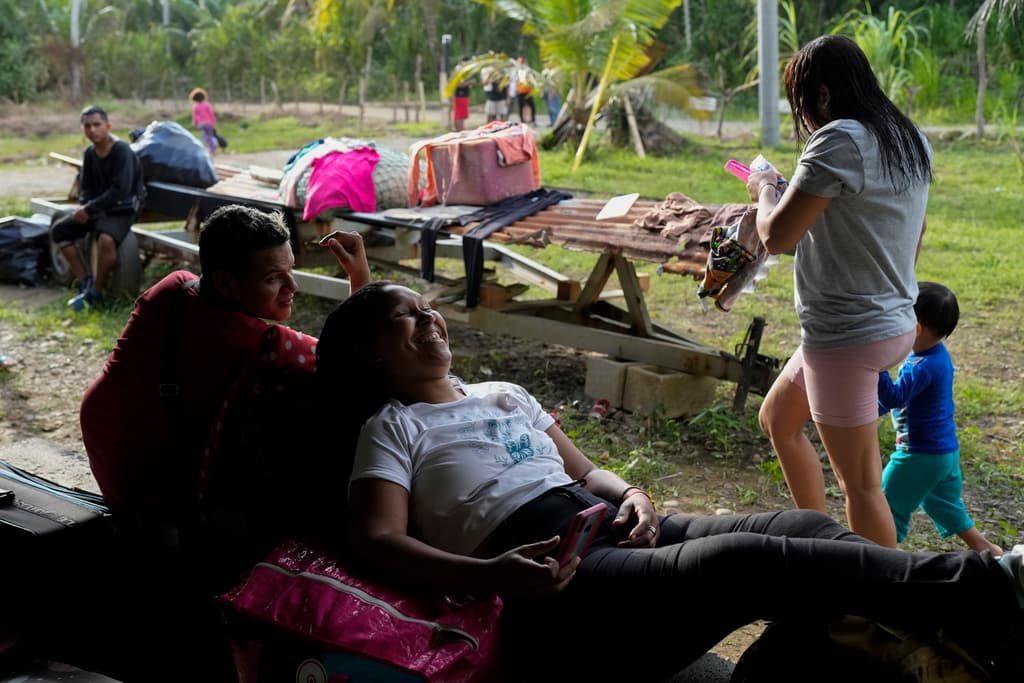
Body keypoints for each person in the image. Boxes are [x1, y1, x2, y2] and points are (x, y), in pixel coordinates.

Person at [315, 281, 1024, 682]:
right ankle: (989, 587)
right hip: (556, 586)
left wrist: (633, 493)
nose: (429, 318)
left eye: (427, 307)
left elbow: (585, 470)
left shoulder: (503, 392)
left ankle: (957, 626)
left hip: (608, 526)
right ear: (371, 354)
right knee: (744, 560)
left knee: (799, 525)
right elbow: (377, 538)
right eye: (405, 317)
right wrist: (491, 574)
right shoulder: (392, 427)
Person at [747, 34, 932, 547]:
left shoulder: (838, 140)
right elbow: (915, 229)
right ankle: (821, 545)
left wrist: (765, 189)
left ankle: (880, 590)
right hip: (893, 321)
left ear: (823, 95)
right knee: (779, 419)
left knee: (863, 486)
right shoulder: (908, 137)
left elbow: (777, 236)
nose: (804, 115)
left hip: (846, 338)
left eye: (802, 101)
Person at [80, 204, 370, 520]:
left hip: (110, 450)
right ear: (226, 283)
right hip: (157, 491)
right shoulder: (263, 346)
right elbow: (354, 367)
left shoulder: (175, 286)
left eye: (291, 270)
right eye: (274, 278)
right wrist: (360, 278)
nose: (293, 287)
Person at [877, 282, 1003, 555]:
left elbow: (895, 397)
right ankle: (990, 552)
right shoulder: (934, 356)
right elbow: (902, 401)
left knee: (884, 507)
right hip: (943, 454)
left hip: (918, 455)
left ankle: (882, 558)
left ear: (916, 328)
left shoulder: (922, 365)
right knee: (945, 507)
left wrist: (877, 366)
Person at [51, 105, 145, 311]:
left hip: (123, 208)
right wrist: (84, 207)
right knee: (59, 231)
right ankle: (85, 280)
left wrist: (89, 209)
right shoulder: (89, 153)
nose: (92, 130)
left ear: (108, 126)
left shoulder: (121, 151)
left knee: (106, 239)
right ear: (83, 129)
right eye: (87, 126)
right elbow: (86, 188)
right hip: (98, 209)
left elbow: (121, 191)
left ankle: (95, 292)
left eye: (97, 125)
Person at [190, 87, 220, 156]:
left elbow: (195, 117)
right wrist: (213, 121)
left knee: (202, 137)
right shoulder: (207, 105)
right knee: (210, 137)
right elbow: (211, 114)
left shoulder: (195, 107)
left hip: (200, 124)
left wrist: (195, 124)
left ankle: (201, 151)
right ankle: (213, 151)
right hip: (208, 124)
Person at [452, 57, 473, 132]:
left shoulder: (464, 70)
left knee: (462, 115)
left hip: (464, 95)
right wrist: (469, 82)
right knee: (458, 114)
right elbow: (459, 84)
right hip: (460, 95)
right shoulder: (459, 69)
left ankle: (461, 129)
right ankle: (459, 130)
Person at [513, 57, 535, 124]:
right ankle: (522, 121)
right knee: (521, 106)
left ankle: (533, 120)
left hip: (528, 91)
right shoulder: (517, 71)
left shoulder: (528, 71)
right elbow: (515, 81)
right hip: (520, 91)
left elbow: (531, 80)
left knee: (532, 106)